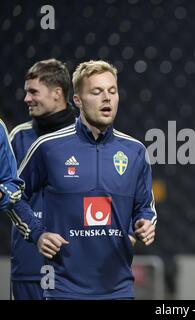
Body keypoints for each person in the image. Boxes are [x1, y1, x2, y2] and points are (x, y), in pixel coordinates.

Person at [11, 60, 156, 299]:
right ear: (77, 100)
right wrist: (37, 234)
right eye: (97, 92)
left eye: (112, 91)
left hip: (118, 290)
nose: (107, 98)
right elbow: (14, 196)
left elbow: (145, 207)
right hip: (63, 291)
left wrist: (145, 224)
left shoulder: (135, 151)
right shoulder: (47, 147)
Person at [9, 58, 78, 300]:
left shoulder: (87, 136)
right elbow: (9, 196)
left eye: (33, 91)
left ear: (57, 92)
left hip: (77, 269)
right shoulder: (18, 137)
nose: (26, 98)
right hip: (28, 267)